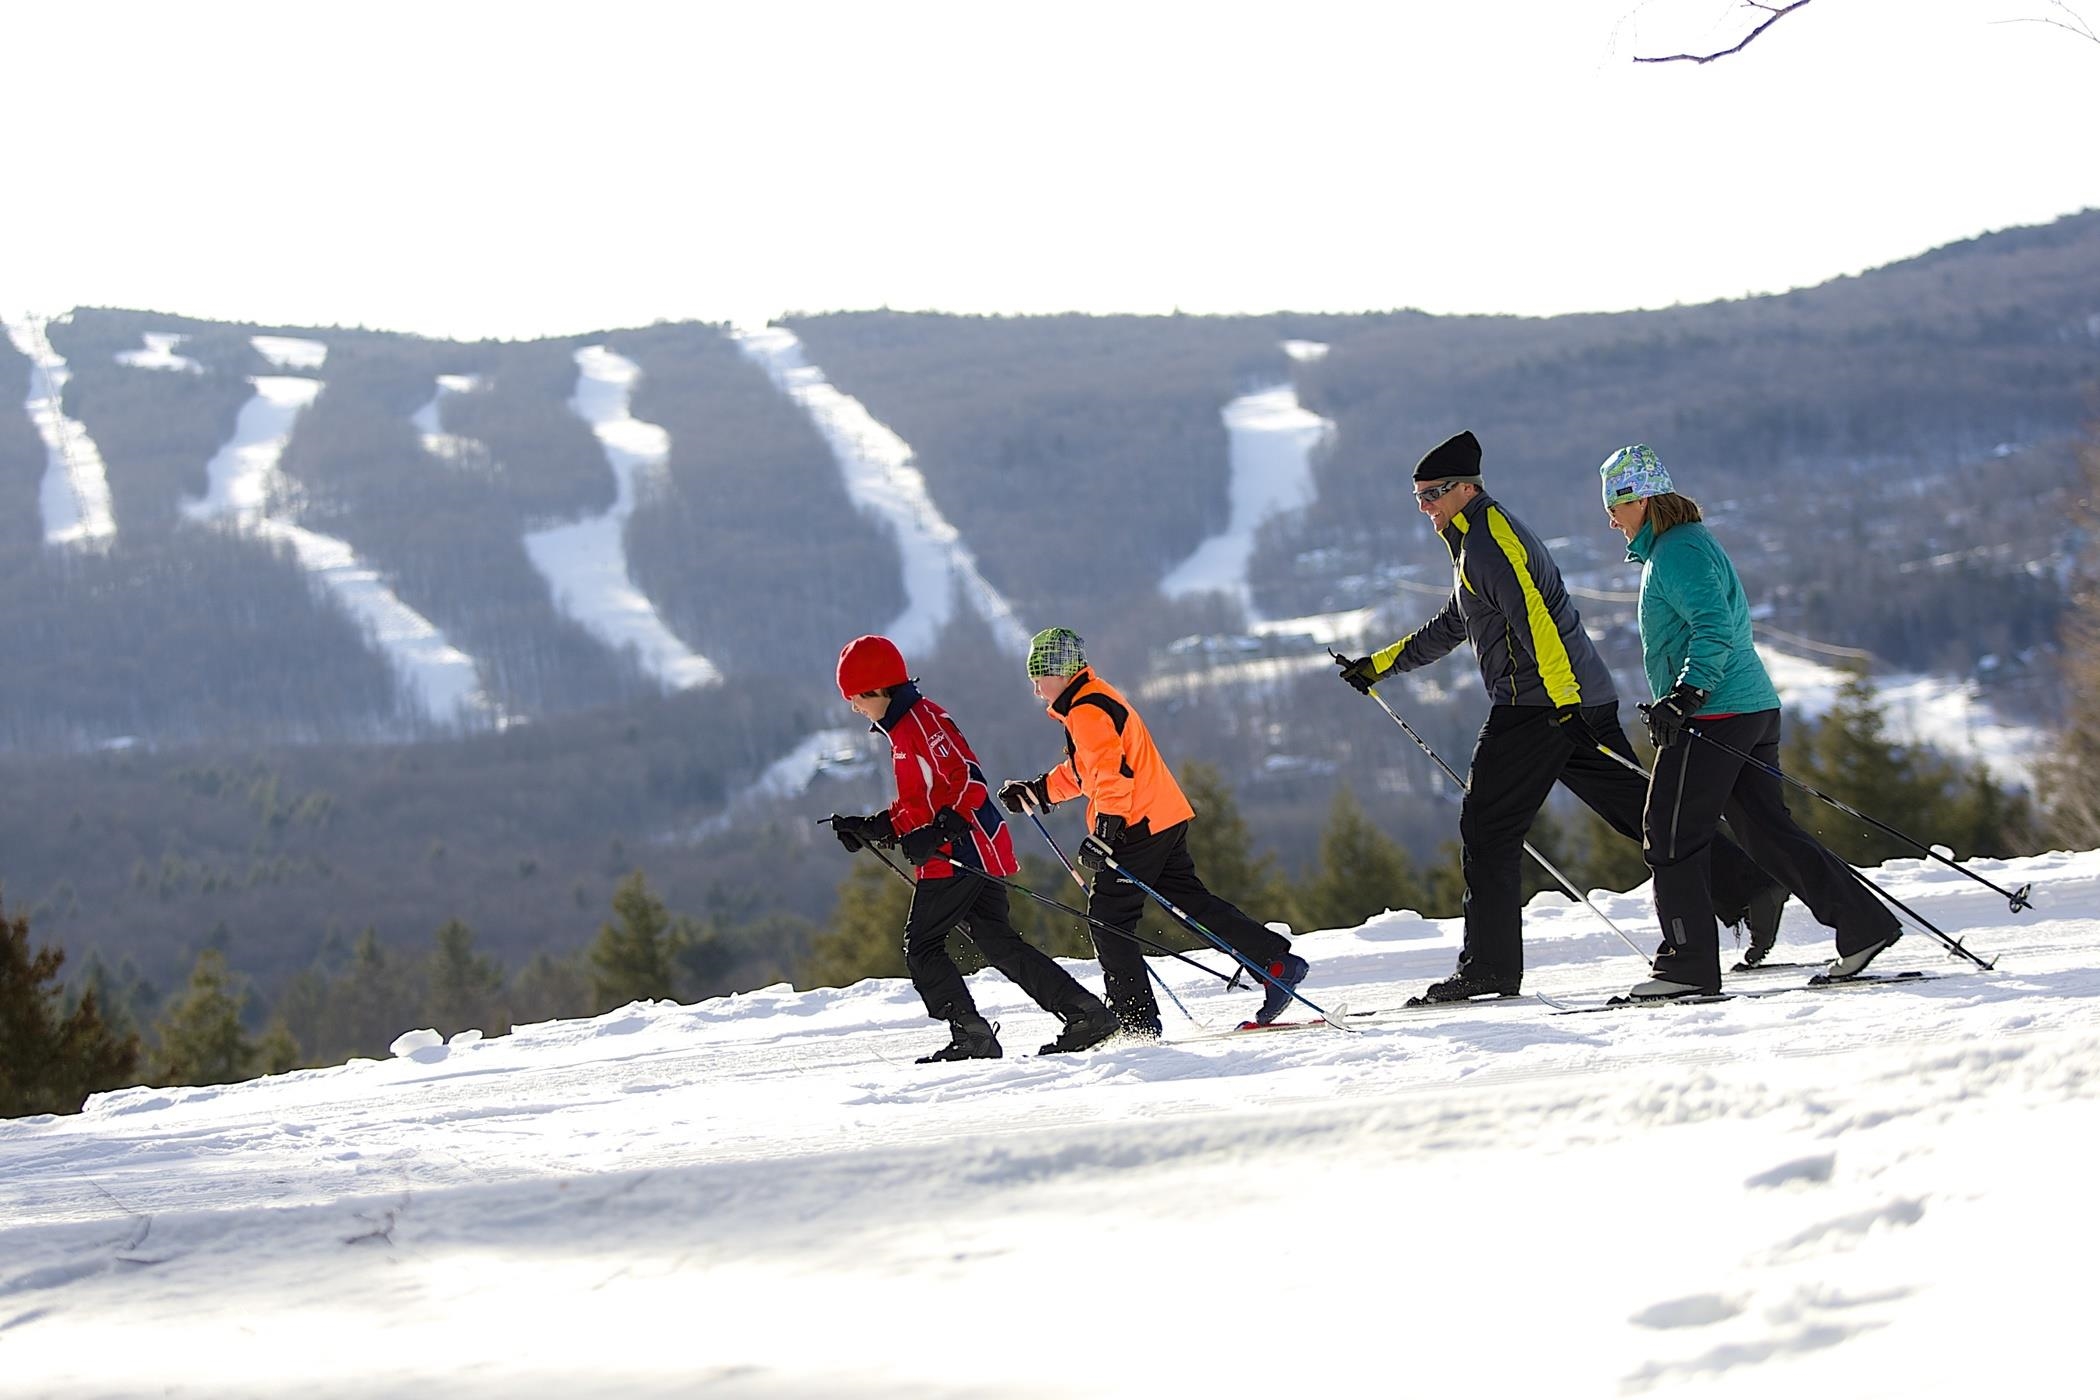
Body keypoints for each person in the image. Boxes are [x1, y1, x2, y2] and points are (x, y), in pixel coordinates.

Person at [1333, 429, 1788, 1002]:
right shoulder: (1474, 543)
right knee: (1635, 809)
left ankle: (1489, 968)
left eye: (1431, 495)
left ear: (1465, 489)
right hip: (1571, 695)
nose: (1424, 508)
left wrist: (1564, 701)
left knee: (1487, 825)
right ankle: (1748, 887)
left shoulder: (1490, 542)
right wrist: (1379, 665)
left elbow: (1536, 620)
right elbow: (1458, 620)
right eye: (1417, 498)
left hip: (1540, 703)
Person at [1600, 446, 1902, 998]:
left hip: (1715, 714)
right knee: (1766, 833)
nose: (1610, 520)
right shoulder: (1687, 544)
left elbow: (1713, 627)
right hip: (1747, 707)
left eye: (1614, 507)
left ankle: (1685, 966)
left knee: (1669, 834)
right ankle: (1864, 927)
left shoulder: (1677, 553)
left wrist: (1685, 695)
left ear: (1639, 500)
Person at [997, 627, 1308, 1036]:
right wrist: (1038, 790)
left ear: (1058, 672)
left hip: (1136, 825)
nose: (1037, 691)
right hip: (1160, 817)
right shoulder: (1093, 699)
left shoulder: (1087, 711)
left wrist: (1105, 833)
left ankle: (1136, 1021)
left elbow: (1112, 776)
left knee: (1109, 918)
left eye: (1039, 679)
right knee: (1190, 903)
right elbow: (1087, 771)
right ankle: (1274, 963)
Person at [828, 634, 1117, 1062]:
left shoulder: (922, 723)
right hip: (963, 849)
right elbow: (922, 801)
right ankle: (1083, 1012)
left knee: (922, 945)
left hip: (963, 853)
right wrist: (873, 827)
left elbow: (968, 781)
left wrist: (941, 831)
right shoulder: (904, 727)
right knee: (998, 942)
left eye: (855, 697)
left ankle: (971, 1033)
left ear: (878, 689)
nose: (854, 707)